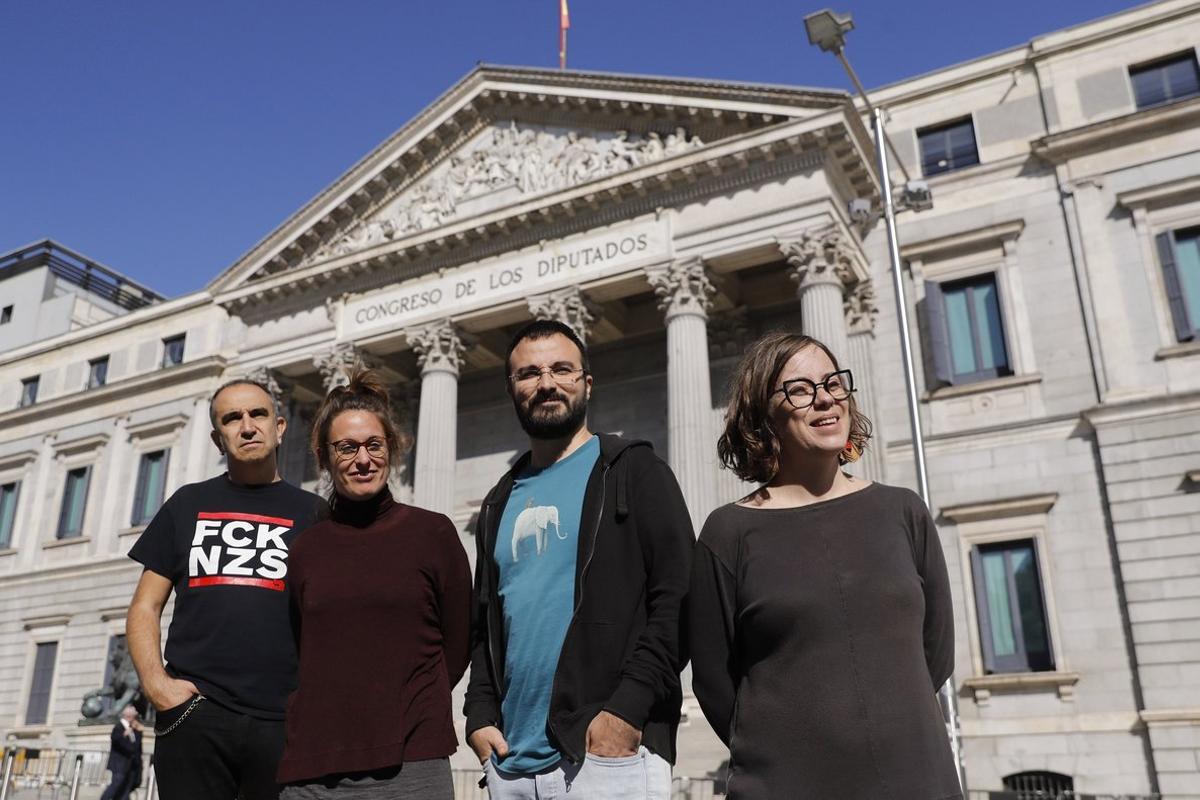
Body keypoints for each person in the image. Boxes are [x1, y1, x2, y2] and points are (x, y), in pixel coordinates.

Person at [687, 331, 962, 800]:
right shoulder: (727, 532)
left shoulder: (903, 511)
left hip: (917, 776)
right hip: (787, 784)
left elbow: (934, 654)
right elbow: (715, 682)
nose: (824, 400)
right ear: (762, 414)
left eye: (834, 384)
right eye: (799, 389)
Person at [464, 319, 694, 800]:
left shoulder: (635, 470)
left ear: (587, 382)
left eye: (561, 369)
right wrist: (479, 715)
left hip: (608, 754)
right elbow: (486, 621)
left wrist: (627, 711)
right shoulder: (497, 503)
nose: (546, 383)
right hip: (511, 764)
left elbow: (680, 597)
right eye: (529, 373)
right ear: (511, 388)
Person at [126, 379, 325, 800]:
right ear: (218, 439)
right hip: (195, 715)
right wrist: (157, 686)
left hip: (283, 722)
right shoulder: (186, 504)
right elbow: (145, 605)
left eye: (258, 414)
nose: (247, 426)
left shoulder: (315, 513)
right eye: (232, 419)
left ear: (281, 426)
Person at [276, 369, 471, 798]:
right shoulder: (304, 549)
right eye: (346, 448)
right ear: (324, 458)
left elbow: (458, 642)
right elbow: (296, 649)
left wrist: (406, 701)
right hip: (313, 767)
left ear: (392, 449)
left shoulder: (432, 533)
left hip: (411, 763)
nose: (363, 459)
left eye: (373, 445)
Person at [100, 705, 143, 800]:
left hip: (131, 766)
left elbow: (137, 746)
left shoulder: (133, 729)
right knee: (115, 787)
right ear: (128, 715)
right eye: (134, 715)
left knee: (125, 790)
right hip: (120, 765)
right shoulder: (119, 727)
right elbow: (117, 740)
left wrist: (139, 732)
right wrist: (124, 735)